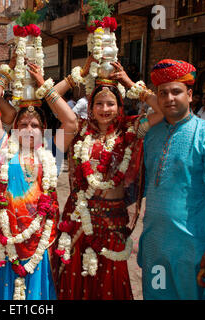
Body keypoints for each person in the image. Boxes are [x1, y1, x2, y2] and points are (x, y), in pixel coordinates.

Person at [52, 57, 164, 300]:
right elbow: (50, 96)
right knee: (75, 278)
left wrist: (130, 82)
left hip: (112, 221)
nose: (105, 109)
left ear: (120, 105)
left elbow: (164, 109)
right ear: (90, 107)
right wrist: (76, 76)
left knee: (110, 281)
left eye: (110, 104)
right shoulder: (78, 129)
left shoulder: (130, 130)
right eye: (99, 104)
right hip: (79, 216)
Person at [138, 59, 205, 300]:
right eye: (163, 93)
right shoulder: (152, 136)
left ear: (190, 95)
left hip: (192, 247)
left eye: (176, 91)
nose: (169, 98)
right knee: (155, 295)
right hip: (154, 245)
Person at [0, 61, 77, 300]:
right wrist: (6, 71)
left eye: (35, 125)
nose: (28, 129)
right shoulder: (2, 148)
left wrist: (44, 88)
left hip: (39, 242)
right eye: (23, 124)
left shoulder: (51, 153)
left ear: (43, 129)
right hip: (7, 241)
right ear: (14, 129)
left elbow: (71, 123)